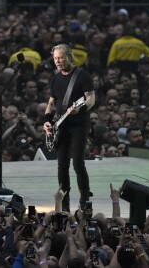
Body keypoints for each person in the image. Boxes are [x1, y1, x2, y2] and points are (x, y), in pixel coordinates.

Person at [43, 44, 95, 212]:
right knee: (62, 164)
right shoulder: (55, 78)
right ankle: (64, 202)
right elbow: (51, 103)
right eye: (56, 58)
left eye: (61, 58)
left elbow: (91, 99)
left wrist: (80, 108)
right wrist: (47, 121)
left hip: (79, 125)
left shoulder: (82, 76)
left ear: (69, 57)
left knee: (78, 162)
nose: (58, 61)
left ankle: (85, 199)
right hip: (61, 126)